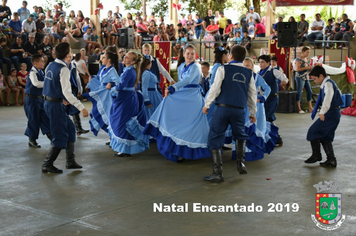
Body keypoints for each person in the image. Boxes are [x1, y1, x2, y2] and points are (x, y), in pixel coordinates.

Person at [143, 44, 210, 162]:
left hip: (193, 97)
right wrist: (174, 90)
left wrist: (173, 88)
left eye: (192, 54)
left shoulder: (195, 67)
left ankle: (188, 149)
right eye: (187, 53)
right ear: (183, 54)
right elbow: (182, 82)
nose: (189, 56)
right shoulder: (181, 66)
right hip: (184, 95)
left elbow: (188, 80)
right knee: (174, 113)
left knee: (191, 123)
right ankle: (177, 147)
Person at [202, 45, 257, 183]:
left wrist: (207, 104)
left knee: (215, 137)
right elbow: (252, 94)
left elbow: (215, 88)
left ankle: (218, 173)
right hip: (239, 110)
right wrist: (252, 112)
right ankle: (240, 163)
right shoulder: (248, 73)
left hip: (223, 108)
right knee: (240, 135)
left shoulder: (222, 69)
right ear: (244, 58)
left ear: (231, 56)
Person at [42, 42, 89, 174]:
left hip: (53, 102)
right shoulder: (63, 69)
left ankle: (70, 161)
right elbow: (67, 92)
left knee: (70, 128)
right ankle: (47, 164)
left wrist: (60, 98)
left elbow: (51, 85)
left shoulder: (50, 65)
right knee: (60, 135)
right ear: (67, 54)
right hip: (55, 105)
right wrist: (81, 107)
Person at [107, 52, 149, 156]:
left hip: (126, 100)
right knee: (122, 122)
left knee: (122, 123)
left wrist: (113, 89)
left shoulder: (129, 71)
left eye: (127, 57)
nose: (124, 57)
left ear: (133, 61)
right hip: (127, 98)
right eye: (125, 56)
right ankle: (125, 149)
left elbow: (121, 85)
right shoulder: (129, 70)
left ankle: (125, 149)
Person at [305, 65, 343, 167]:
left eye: (315, 78)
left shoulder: (328, 84)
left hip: (330, 113)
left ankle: (316, 155)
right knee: (326, 137)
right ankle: (331, 160)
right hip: (334, 113)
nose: (315, 81)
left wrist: (322, 112)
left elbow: (328, 98)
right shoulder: (328, 83)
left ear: (321, 75)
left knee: (313, 131)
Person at [83, 51, 120, 136]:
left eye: (103, 57)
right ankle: (111, 136)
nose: (101, 59)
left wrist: (111, 83)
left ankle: (112, 136)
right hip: (102, 94)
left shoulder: (112, 70)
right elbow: (99, 78)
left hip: (107, 96)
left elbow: (118, 81)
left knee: (108, 114)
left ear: (108, 60)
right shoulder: (103, 69)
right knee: (101, 111)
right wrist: (91, 80)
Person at [23, 54, 52, 148]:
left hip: (39, 99)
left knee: (45, 117)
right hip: (31, 99)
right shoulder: (32, 73)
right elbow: (36, 84)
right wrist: (48, 83)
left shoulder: (40, 72)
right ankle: (32, 139)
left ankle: (51, 137)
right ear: (35, 63)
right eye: (41, 61)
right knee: (33, 119)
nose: (43, 63)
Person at [258, 54, 287, 147]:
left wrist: (280, 83)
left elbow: (285, 79)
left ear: (268, 63)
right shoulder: (259, 73)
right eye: (259, 62)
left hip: (272, 98)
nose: (260, 64)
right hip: (263, 98)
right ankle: (277, 138)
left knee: (266, 117)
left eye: (262, 62)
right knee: (268, 118)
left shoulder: (273, 71)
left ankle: (272, 138)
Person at [206, 46, 229, 124]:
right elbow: (212, 83)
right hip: (215, 96)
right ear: (223, 55)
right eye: (227, 55)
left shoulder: (218, 66)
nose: (228, 57)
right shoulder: (219, 67)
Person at [294, 46, 314, 113]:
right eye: (307, 52)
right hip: (300, 77)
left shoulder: (307, 59)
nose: (308, 53)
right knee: (299, 92)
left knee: (309, 91)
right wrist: (307, 68)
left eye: (309, 52)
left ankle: (310, 107)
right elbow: (297, 69)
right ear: (303, 51)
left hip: (306, 77)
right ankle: (299, 108)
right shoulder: (298, 59)